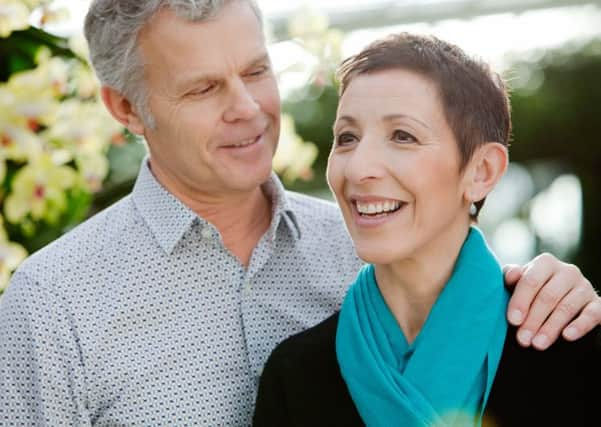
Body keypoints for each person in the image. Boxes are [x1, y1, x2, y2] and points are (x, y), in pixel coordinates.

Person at [0, 1, 598, 425]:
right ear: (125, 107)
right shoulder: (50, 304)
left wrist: (560, 291)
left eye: (258, 71)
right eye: (205, 88)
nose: (248, 109)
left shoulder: (370, 238)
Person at [253, 33, 601, 427]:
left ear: (482, 171)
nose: (358, 168)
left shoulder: (575, 346)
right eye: (347, 138)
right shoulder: (296, 376)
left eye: (403, 136)